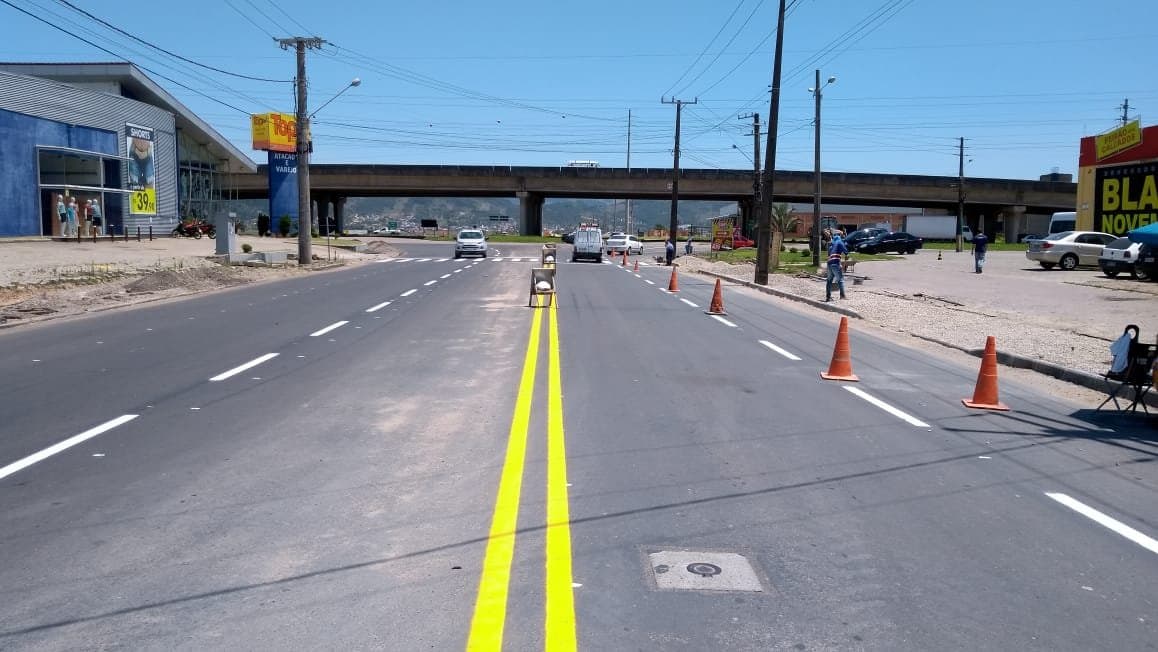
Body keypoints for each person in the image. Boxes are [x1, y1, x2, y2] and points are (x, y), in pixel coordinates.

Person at [826, 231, 848, 302]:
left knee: (829, 280)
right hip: (835, 263)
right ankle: (842, 296)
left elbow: (829, 255)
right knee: (840, 280)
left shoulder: (831, 244)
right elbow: (845, 251)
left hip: (829, 264)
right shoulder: (839, 242)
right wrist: (847, 254)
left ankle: (828, 297)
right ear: (839, 236)